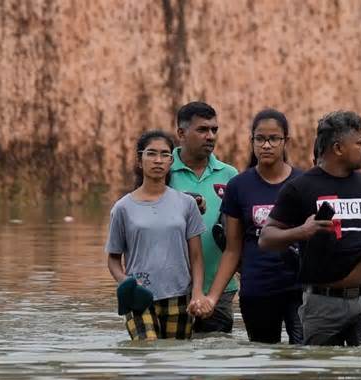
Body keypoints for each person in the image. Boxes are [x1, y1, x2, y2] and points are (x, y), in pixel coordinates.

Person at [258, 110, 361, 347]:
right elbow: (266, 238)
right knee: (319, 379)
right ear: (338, 148)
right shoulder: (300, 188)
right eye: (360, 142)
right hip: (323, 304)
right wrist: (302, 231)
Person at [200, 109, 304, 344]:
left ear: (286, 141)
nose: (266, 145)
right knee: (262, 362)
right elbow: (232, 249)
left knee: (304, 357)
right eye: (260, 139)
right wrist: (212, 298)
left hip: (300, 289)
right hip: (258, 288)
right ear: (252, 141)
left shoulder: (303, 184)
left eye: (274, 139)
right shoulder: (238, 186)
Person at [105, 130, 206, 340]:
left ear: (171, 162)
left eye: (164, 155)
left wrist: (197, 293)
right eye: (151, 154)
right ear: (140, 161)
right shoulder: (122, 208)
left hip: (179, 295)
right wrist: (126, 282)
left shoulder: (186, 204)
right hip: (139, 296)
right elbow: (113, 259)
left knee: (176, 359)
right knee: (147, 351)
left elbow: (196, 257)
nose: (158, 160)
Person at [169, 101, 239, 334]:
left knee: (216, 361)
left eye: (214, 130)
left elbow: (237, 234)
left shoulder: (230, 175)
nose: (210, 136)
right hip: (170, 290)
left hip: (218, 289)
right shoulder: (163, 171)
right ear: (181, 133)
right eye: (202, 130)